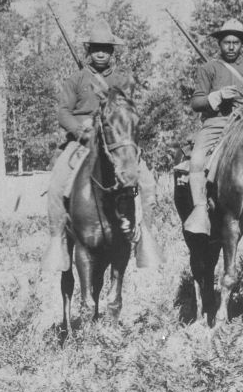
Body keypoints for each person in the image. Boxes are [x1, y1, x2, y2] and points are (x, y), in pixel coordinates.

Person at [42, 19, 158, 273]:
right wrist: (78, 127)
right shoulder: (75, 79)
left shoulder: (122, 81)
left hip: (114, 141)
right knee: (55, 185)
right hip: (82, 141)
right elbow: (63, 112)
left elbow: (129, 111)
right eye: (96, 48)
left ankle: (144, 236)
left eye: (105, 48)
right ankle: (57, 240)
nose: (101, 53)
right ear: (89, 51)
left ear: (112, 51)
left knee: (148, 183)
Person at [184, 19, 243, 235]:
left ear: (242, 45)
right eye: (226, 42)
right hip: (216, 122)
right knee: (197, 160)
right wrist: (217, 96)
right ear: (219, 44)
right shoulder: (208, 68)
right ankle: (200, 210)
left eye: (235, 43)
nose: (231, 47)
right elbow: (196, 102)